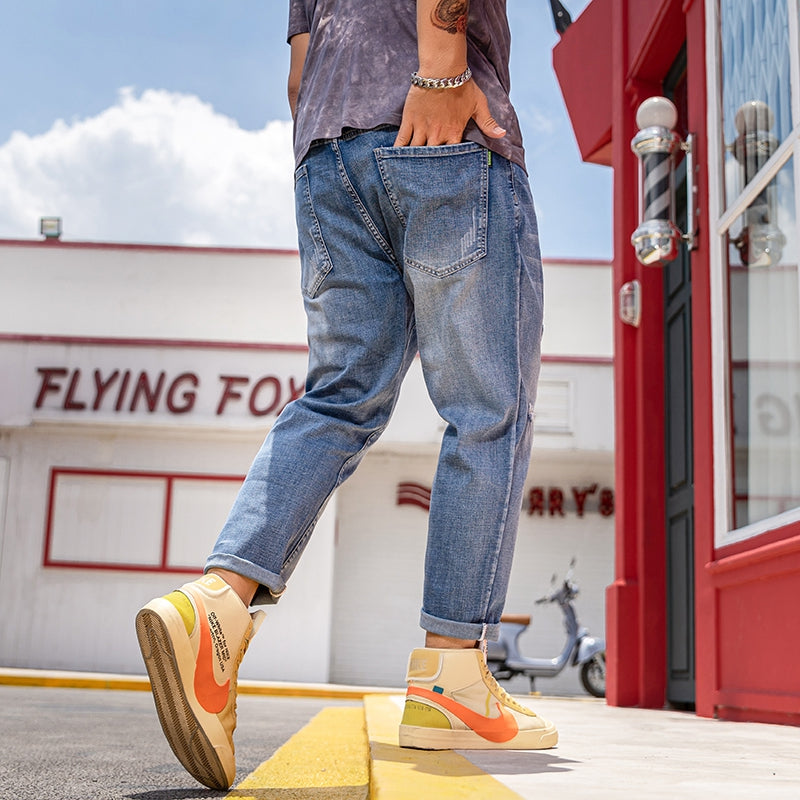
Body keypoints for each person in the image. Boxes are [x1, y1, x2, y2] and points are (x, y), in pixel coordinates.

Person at [135, 0, 557, 790]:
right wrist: (440, 65)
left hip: (325, 151)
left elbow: (300, 73)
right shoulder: (438, 82)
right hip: (435, 123)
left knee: (337, 398)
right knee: (485, 410)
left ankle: (218, 609)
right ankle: (453, 680)